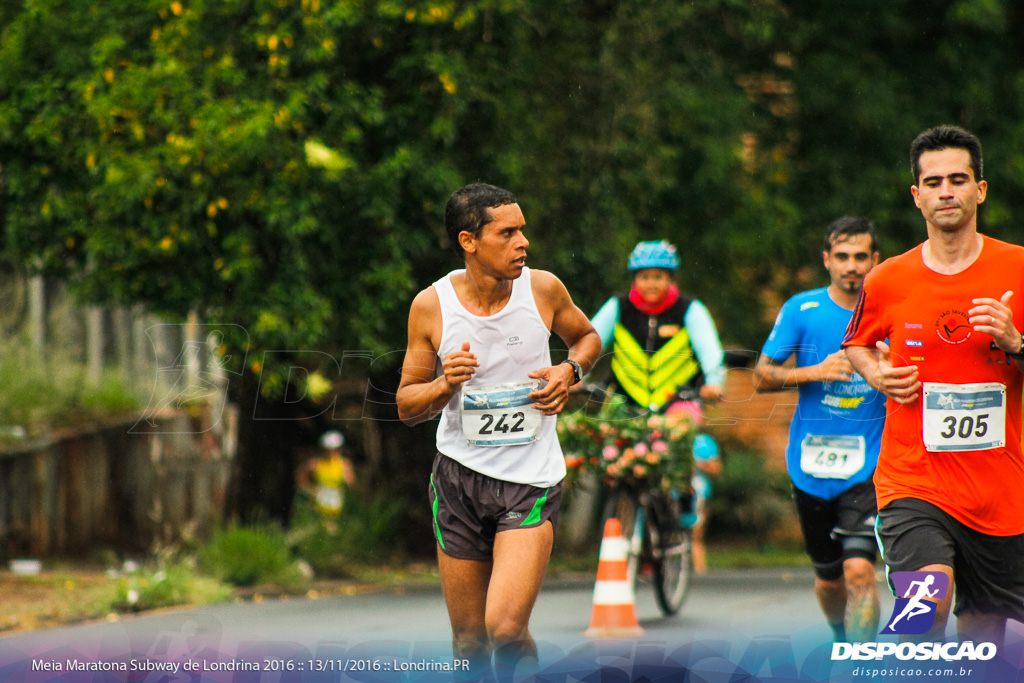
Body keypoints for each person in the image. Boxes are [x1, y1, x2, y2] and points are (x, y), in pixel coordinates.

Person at [396, 183, 602, 676]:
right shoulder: (432, 305)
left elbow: (587, 338)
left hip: (530, 477)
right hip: (458, 481)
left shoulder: (543, 289)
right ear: (469, 241)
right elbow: (406, 403)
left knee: (506, 630)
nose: (522, 243)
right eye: (507, 233)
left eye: (523, 231)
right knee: (469, 640)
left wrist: (568, 371)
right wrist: (445, 384)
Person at [843, 125, 1024, 645]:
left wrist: (1015, 341)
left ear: (980, 190)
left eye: (958, 179)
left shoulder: (1016, 267)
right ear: (917, 195)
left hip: (1001, 493)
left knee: (982, 645)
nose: (946, 191)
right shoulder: (888, 279)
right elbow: (856, 343)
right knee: (925, 604)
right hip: (913, 483)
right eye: (934, 181)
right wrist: (875, 372)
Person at [753, 216, 886, 643]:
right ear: (827, 259)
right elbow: (761, 376)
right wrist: (814, 371)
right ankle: (841, 639)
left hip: (870, 465)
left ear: (874, 260)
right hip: (809, 465)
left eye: (860, 257)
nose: (852, 266)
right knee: (830, 578)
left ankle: (859, 660)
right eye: (842, 257)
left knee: (861, 570)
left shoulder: (890, 308)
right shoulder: (801, 309)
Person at [589, 240, 727, 550]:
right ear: (633, 279)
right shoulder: (618, 307)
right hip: (626, 399)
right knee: (615, 453)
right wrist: (574, 374)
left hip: (678, 398)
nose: (652, 283)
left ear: (671, 278)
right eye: (644, 276)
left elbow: (710, 352)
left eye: (659, 276)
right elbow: (590, 343)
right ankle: (624, 507)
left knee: (675, 439)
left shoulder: (690, 310)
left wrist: (714, 381)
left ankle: (683, 496)